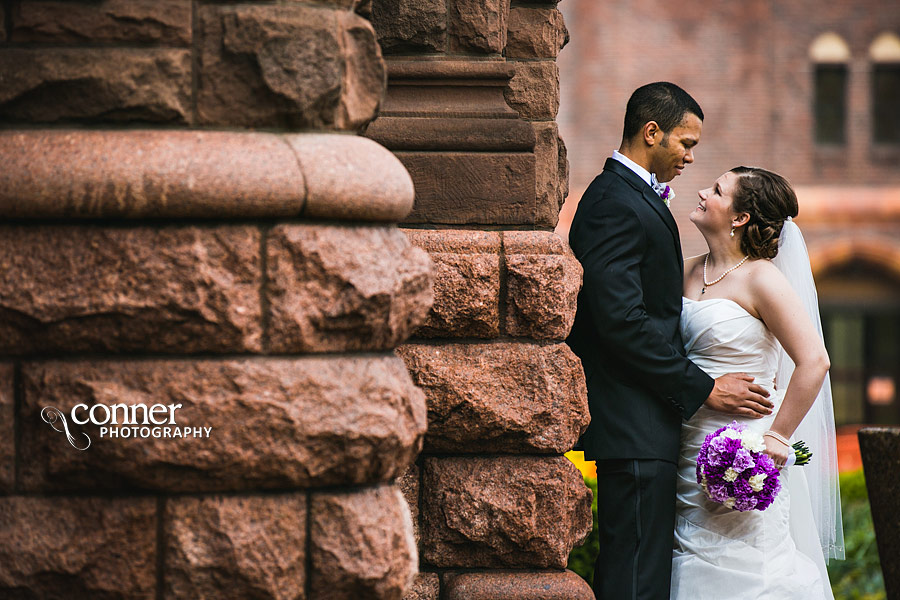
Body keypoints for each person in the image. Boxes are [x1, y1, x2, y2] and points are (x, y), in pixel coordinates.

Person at [566, 82, 773, 600]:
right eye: (686, 142)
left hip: (651, 423)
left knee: (646, 569)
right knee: (635, 576)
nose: (690, 156)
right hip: (632, 421)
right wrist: (704, 389)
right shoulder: (614, 201)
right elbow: (622, 321)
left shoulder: (630, 196)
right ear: (651, 132)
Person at [671, 166, 843, 599]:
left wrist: (778, 437)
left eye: (716, 190)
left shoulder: (763, 278)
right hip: (684, 445)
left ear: (740, 217)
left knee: (748, 565)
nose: (702, 192)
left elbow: (815, 361)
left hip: (742, 452)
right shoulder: (684, 270)